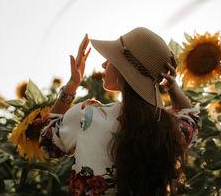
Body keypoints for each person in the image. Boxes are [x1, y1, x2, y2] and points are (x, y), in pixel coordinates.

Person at [38, 27, 199, 195]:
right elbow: (192, 120)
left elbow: (47, 143)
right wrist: (172, 87)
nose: (104, 64)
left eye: (111, 59)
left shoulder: (87, 115)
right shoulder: (167, 128)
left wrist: (71, 86)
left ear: (124, 70)